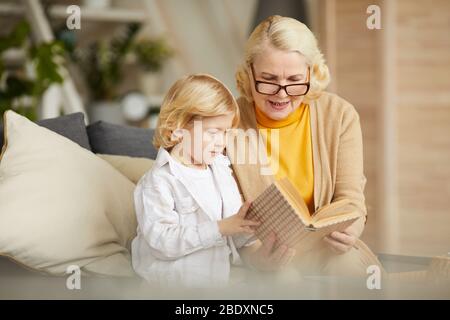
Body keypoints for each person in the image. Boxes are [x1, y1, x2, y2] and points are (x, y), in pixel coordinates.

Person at [227, 15, 383, 276]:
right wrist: (257, 260)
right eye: (269, 79)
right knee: (283, 281)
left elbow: (351, 198)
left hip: (326, 252)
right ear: (248, 73)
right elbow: (219, 211)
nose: (282, 93)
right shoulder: (227, 121)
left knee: (346, 270)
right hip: (260, 257)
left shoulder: (340, 115)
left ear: (312, 73)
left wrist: (351, 230)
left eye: (295, 80)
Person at [131, 74, 259, 287]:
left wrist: (249, 229)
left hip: (216, 285)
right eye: (213, 132)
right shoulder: (158, 181)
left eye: (226, 132)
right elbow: (161, 241)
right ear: (178, 130)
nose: (221, 142)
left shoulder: (220, 169)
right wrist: (220, 228)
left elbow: (232, 226)